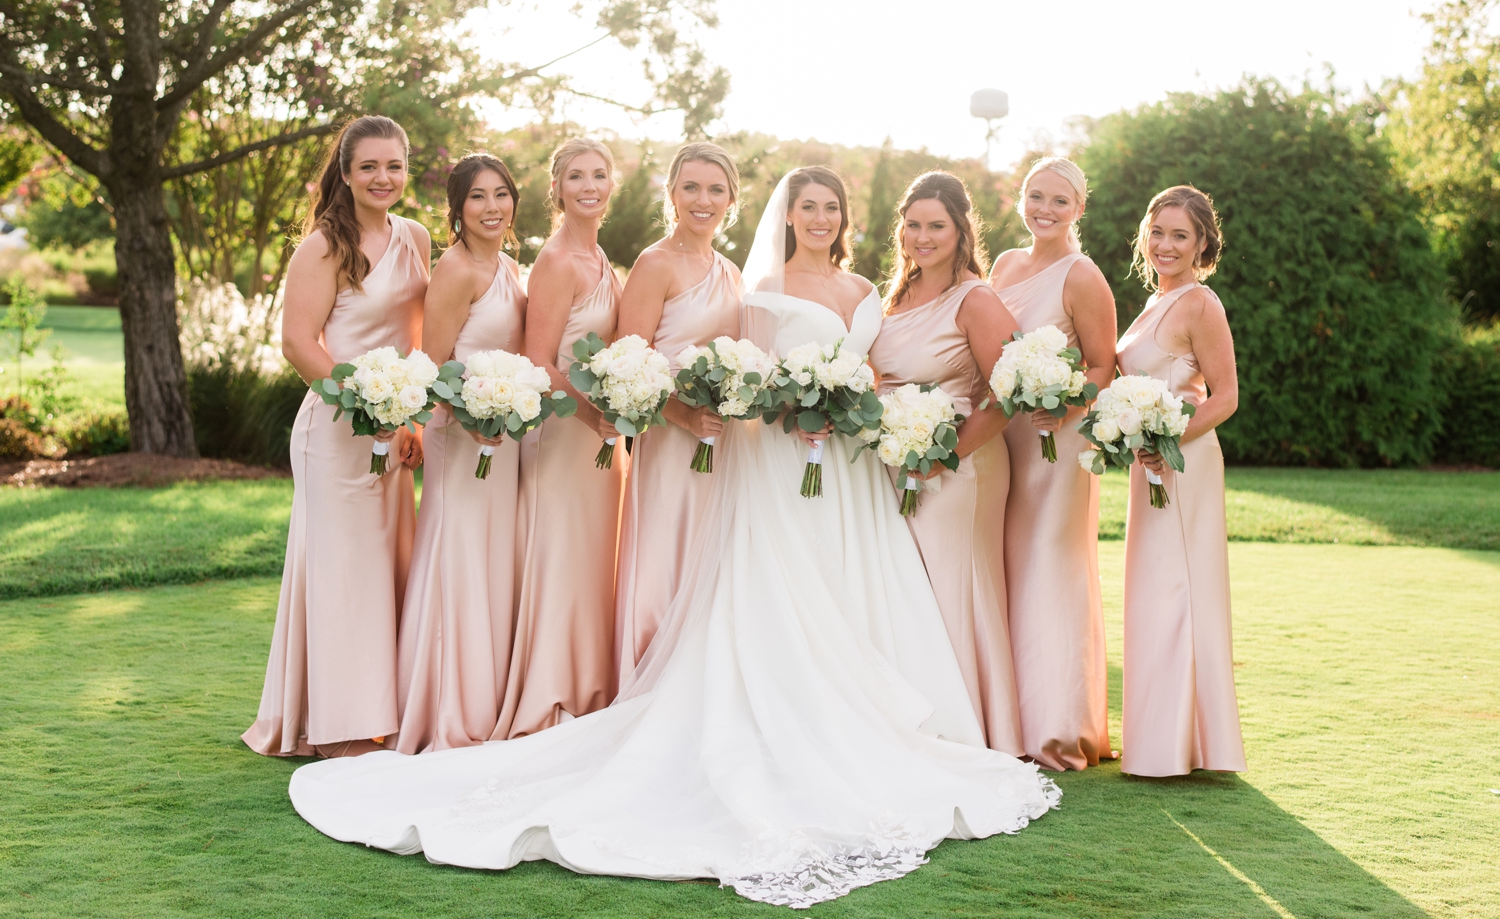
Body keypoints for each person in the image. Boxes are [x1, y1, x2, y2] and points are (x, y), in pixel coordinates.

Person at [287, 168, 1059, 908]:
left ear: (846, 218)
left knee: (844, 594)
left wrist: (851, 400)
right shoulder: (758, 288)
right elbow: (749, 369)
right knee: (774, 596)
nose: (818, 218)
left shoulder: (869, 294)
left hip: (850, 471)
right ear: (788, 216)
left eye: (831, 207)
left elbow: (880, 372)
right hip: (776, 455)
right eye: (807, 206)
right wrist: (770, 402)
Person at [243, 115, 429, 758]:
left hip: (395, 433)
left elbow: (417, 340)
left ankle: (379, 714)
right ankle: (338, 729)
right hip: (336, 433)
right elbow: (299, 342)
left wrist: (405, 415)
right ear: (346, 173)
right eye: (370, 166)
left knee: (384, 572)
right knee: (344, 574)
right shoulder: (322, 245)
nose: (383, 178)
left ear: (406, 170)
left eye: (394, 166)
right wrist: (363, 403)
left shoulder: (417, 238)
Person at [868, 171, 1024, 755]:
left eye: (937, 226)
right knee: (911, 592)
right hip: (897, 461)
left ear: (962, 231)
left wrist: (943, 456)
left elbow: (1012, 392)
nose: (922, 237)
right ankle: (922, 723)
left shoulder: (976, 299)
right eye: (913, 225)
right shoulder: (895, 296)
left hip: (961, 467)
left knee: (952, 588)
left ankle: (974, 731)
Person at [394, 153, 527, 754]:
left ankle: (487, 695)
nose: (492, 207)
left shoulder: (509, 267)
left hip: (504, 439)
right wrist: (471, 418)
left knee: (492, 560)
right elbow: (433, 366)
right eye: (478, 197)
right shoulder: (453, 270)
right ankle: (443, 706)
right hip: (464, 436)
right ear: (457, 208)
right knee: (458, 555)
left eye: (501, 194)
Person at [988, 156, 1117, 771]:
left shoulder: (1083, 275)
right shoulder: (1006, 265)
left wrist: (1063, 404)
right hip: (1003, 436)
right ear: (1021, 198)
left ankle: (1058, 730)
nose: (1045, 209)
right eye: (1036, 196)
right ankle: (1008, 717)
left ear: (1079, 209)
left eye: (1059, 201)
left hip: (1056, 442)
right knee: (1008, 565)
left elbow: (1101, 365)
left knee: (1048, 565)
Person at [495, 138, 626, 739]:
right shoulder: (555, 261)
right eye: (577, 177)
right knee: (560, 552)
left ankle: (589, 685)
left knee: (593, 558)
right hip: (563, 432)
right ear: (558, 189)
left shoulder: (604, 260)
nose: (590, 186)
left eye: (599, 175)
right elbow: (539, 361)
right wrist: (593, 413)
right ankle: (549, 693)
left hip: (601, 440)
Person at [1116, 185, 1246, 777]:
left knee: (1179, 591)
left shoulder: (1200, 303)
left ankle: (1183, 748)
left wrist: (1167, 444)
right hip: (1150, 465)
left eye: (1180, 236)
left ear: (1202, 245)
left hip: (1183, 463)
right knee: (1154, 591)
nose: (1165, 245)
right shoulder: (1153, 302)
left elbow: (1225, 398)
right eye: (1159, 232)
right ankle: (1158, 741)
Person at [613, 142, 743, 682]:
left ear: (731, 201)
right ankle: (650, 677)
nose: (702, 199)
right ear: (671, 195)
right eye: (690, 187)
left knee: (708, 558)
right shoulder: (655, 263)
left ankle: (699, 681)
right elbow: (628, 363)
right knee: (664, 553)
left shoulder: (732, 272)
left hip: (722, 443)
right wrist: (683, 415)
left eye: (716, 189)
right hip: (669, 437)